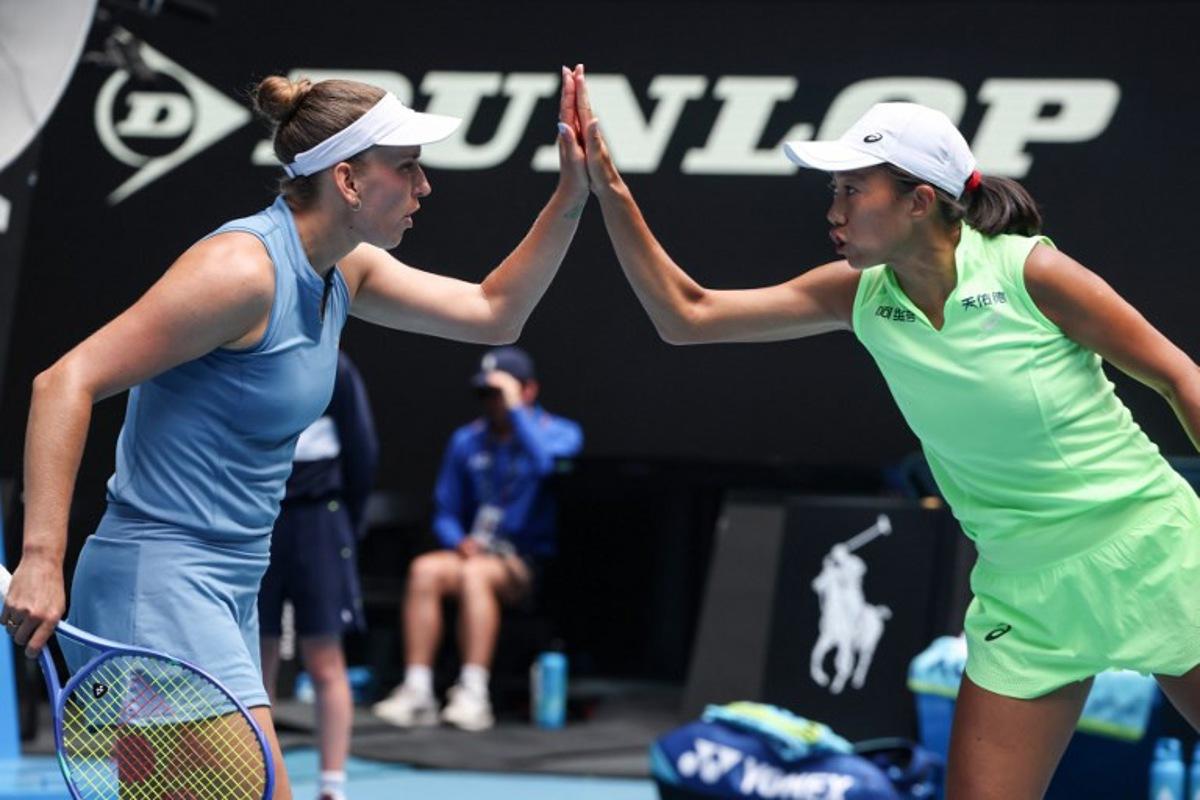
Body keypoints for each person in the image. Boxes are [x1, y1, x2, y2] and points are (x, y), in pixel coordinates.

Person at [569, 65, 1200, 798]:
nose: (832, 211)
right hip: (1023, 591)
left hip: (1151, 552)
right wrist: (608, 189)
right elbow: (688, 313)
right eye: (831, 192)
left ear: (919, 201)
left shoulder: (1032, 273)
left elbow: (1179, 376)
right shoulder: (861, 296)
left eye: (850, 190)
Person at [1, 67, 589, 799]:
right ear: (346, 180)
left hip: (231, 585)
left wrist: (572, 193)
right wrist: (40, 557)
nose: (423, 187)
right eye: (405, 168)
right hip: (160, 584)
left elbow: (494, 311)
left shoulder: (346, 271)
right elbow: (64, 382)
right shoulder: (239, 271)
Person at [372, 345, 582, 731]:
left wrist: (518, 413)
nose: (491, 402)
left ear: (527, 390)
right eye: (484, 393)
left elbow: (547, 469)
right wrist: (458, 541)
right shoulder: (466, 441)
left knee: (476, 576)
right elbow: (446, 511)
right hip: (473, 553)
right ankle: (417, 690)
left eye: (499, 393)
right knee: (425, 570)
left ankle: (473, 692)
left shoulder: (560, 433)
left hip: (524, 563)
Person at [258, 351, 378, 800]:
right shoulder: (257, 359)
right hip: (260, 521)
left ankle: (332, 785)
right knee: (257, 657)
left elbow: (363, 449)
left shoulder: (338, 369)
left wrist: (349, 522)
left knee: (325, 658)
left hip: (321, 524)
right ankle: (260, 775)